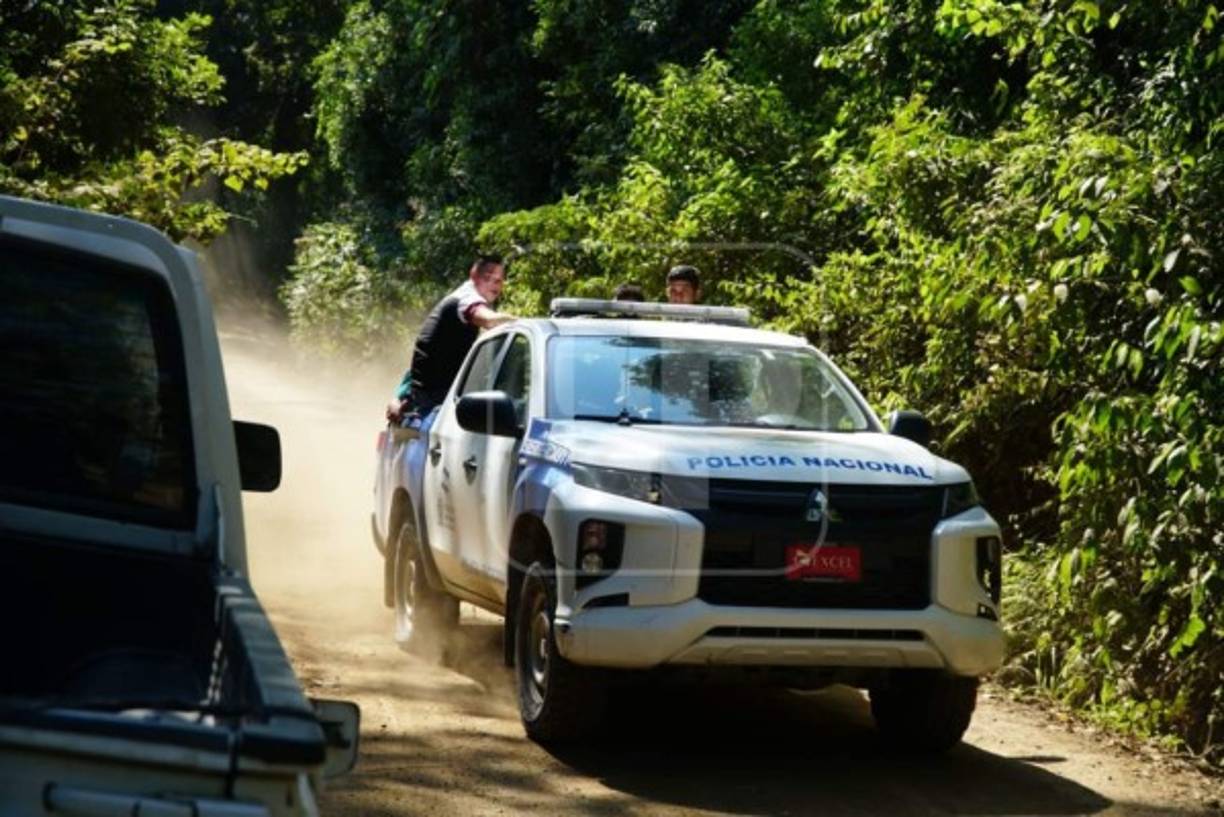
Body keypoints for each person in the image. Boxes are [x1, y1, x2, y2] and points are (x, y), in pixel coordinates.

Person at [386, 255, 516, 423]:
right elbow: (489, 320)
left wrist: (399, 395)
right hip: (429, 412)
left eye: (499, 280)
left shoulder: (458, 305)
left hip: (422, 406)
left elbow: (425, 357)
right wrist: (525, 323)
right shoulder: (466, 300)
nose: (494, 284)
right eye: (488, 278)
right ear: (473, 276)